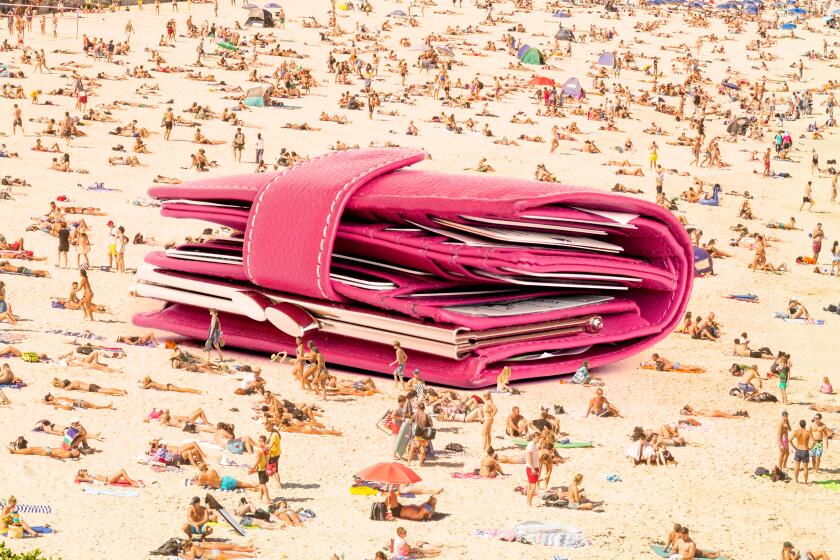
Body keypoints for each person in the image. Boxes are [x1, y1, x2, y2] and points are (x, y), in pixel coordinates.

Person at [791, 419, 814, 484]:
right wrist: (810, 448)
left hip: (798, 450)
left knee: (796, 466)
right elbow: (814, 442)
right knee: (805, 468)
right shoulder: (808, 432)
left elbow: (789, 440)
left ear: (800, 425)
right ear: (805, 425)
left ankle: (796, 480)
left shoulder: (796, 432)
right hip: (805, 450)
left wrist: (794, 447)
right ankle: (806, 482)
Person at [249, 435, 270, 503]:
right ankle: (260, 496)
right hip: (267, 468)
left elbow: (258, 460)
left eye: (259, 441)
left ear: (262, 441)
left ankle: (267, 499)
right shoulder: (267, 449)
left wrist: (252, 469)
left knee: (263, 485)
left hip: (262, 469)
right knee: (262, 484)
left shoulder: (260, 450)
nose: (258, 442)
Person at [76, 468, 141, 487]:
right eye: (82, 471)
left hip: (108, 477)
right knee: (122, 471)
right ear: (82, 474)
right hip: (108, 480)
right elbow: (78, 478)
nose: (83, 470)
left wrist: (84, 471)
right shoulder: (87, 477)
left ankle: (133, 481)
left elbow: (85, 470)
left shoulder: (89, 474)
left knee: (122, 471)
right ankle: (132, 483)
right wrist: (79, 476)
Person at [525, 433, 540, 506]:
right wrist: (532, 468)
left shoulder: (534, 445)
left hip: (534, 467)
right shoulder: (530, 445)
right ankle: (529, 503)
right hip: (531, 468)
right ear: (533, 437)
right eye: (537, 438)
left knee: (530, 486)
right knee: (533, 486)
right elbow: (529, 456)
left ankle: (528, 502)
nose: (538, 439)